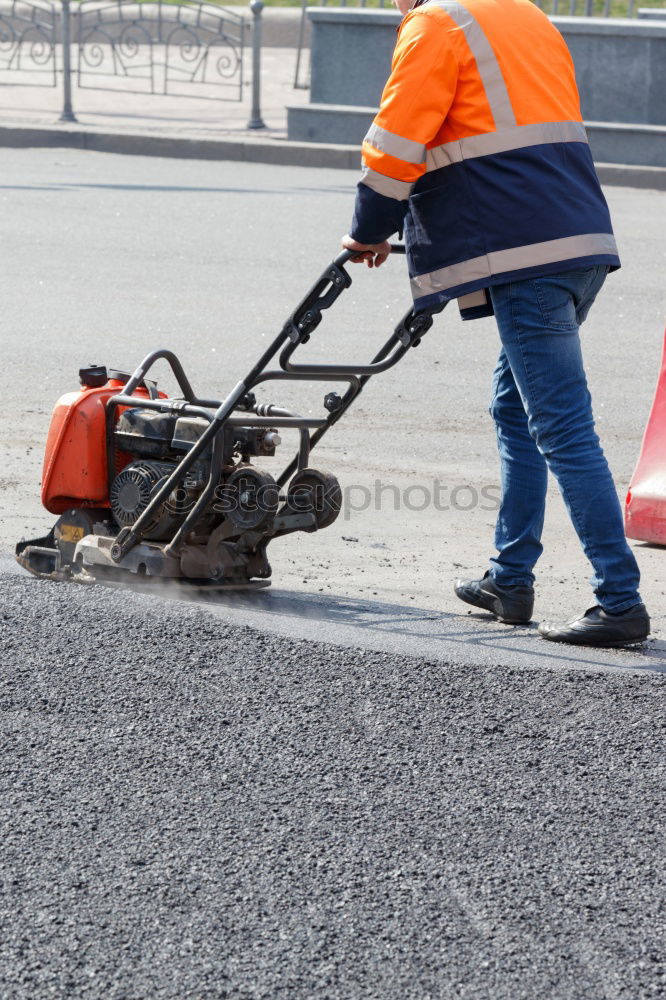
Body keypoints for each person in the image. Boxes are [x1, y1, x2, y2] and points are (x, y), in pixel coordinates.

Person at [342, 0, 650, 647]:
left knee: (562, 427)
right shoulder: (526, 16)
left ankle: (619, 599)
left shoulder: (436, 26)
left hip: (525, 257)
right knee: (514, 408)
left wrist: (369, 227)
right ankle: (510, 577)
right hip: (579, 240)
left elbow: (398, 138)